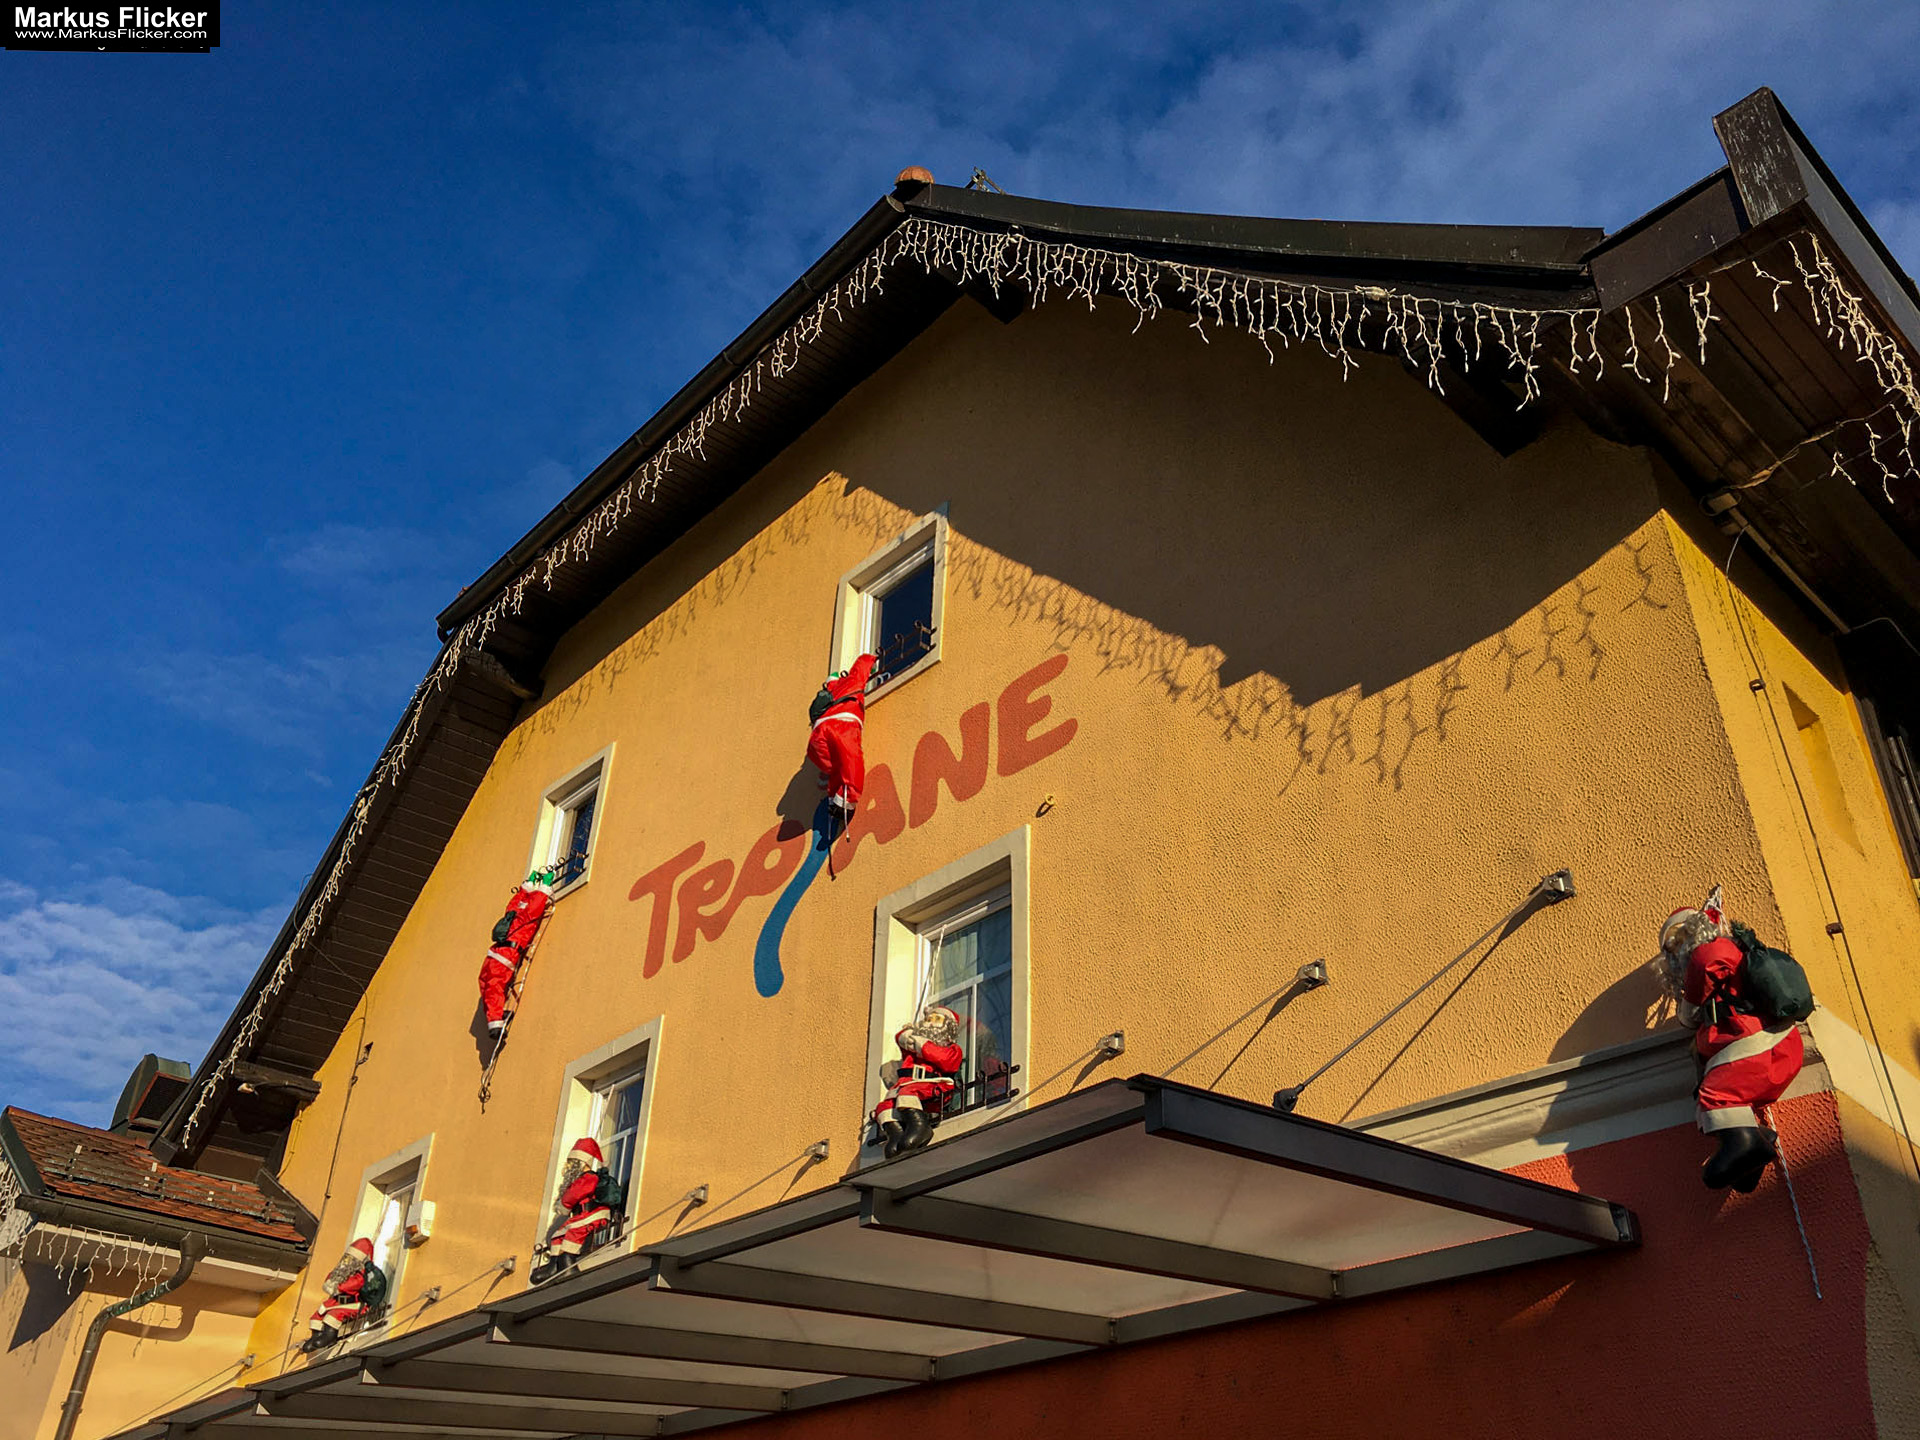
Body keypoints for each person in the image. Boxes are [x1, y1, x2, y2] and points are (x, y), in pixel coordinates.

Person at [1659, 890, 1806, 1191]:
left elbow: (1707, 962)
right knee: (1714, 1090)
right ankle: (1754, 1147)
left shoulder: (1714, 951)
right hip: (1766, 1052)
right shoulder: (1723, 971)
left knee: (1716, 1093)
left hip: (1759, 1046)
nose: (1675, 953)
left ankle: (1744, 1144)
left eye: (1676, 942)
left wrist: (1690, 998)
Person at [872, 1005, 965, 1157]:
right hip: (907, 1084)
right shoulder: (913, 1048)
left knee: (908, 1093)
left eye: (936, 1019)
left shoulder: (952, 1048)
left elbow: (945, 1059)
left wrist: (921, 1043)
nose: (930, 1022)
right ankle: (896, 1134)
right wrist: (912, 1035)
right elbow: (900, 1037)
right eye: (928, 1018)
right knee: (885, 1105)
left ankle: (920, 1127)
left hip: (935, 1084)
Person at [478, 868, 558, 1041]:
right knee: (490, 986)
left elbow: (525, 903)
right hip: (502, 953)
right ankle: (496, 1018)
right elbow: (534, 905)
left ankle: (495, 1022)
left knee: (491, 986)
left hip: (499, 953)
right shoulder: (522, 914)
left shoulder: (515, 912)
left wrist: (532, 886)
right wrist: (543, 886)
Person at [531, 1137, 623, 1284]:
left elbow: (574, 1194)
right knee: (557, 1235)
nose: (570, 1167)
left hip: (593, 1214)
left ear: (581, 1162)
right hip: (583, 1215)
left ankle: (567, 1264)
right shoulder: (583, 1178)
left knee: (574, 1232)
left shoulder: (589, 1178)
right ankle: (554, 1266)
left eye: (573, 1163)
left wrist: (564, 1204)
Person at [807, 653, 877, 828]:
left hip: (818, 733)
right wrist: (873, 659)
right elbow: (862, 664)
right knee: (850, 761)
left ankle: (834, 798)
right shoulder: (852, 679)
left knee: (836, 767)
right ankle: (845, 800)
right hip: (843, 724)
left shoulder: (830, 689)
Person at [302, 1237, 386, 1352]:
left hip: (354, 1303)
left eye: (350, 1259)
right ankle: (316, 1337)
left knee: (335, 1313)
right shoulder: (345, 1271)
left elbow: (354, 1284)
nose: (347, 1262)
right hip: (341, 1300)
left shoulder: (361, 1274)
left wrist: (338, 1286)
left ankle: (329, 1335)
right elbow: (331, 1278)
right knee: (319, 1313)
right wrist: (333, 1279)